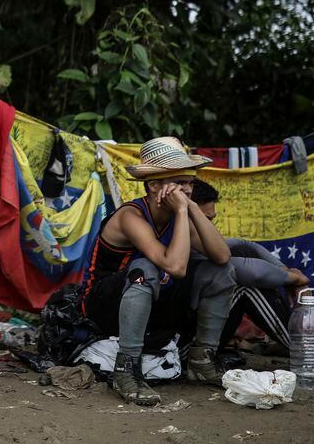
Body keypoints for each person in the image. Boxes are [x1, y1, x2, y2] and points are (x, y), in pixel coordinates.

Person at [80, 137, 234, 406]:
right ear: (153, 186)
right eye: (180, 183)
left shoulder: (181, 212)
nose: (187, 190)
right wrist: (183, 212)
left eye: (190, 183)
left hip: (150, 302)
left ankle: (201, 361)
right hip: (104, 306)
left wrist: (192, 209)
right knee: (146, 267)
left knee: (219, 272)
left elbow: (222, 256)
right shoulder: (131, 216)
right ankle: (126, 370)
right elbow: (175, 266)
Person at [190, 179, 308, 354]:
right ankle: (305, 352)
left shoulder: (197, 239)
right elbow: (251, 272)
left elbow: (246, 246)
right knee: (247, 286)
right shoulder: (178, 240)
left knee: (245, 261)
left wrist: (285, 270)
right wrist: (296, 279)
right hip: (181, 347)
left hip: (193, 339)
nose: (210, 227)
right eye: (204, 220)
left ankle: (302, 348)